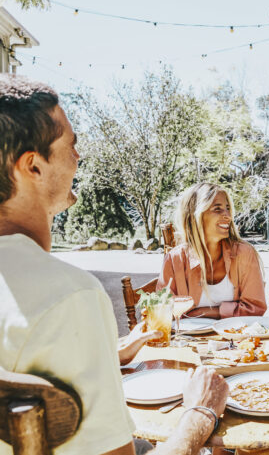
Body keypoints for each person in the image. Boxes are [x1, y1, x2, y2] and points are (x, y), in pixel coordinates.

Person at [0, 74, 229, 455]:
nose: (78, 157)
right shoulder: (69, 296)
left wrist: (115, 348)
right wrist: (201, 412)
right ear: (33, 166)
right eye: (71, 145)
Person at [157, 183, 266, 319]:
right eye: (217, 209)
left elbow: (255, 308)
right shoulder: (174, 260)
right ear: (195, 216)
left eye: (227, 209)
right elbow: (163, 312)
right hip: (187, 339)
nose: (228, 216)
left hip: (235, 337)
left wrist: (202, 312)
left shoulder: (244, 253)